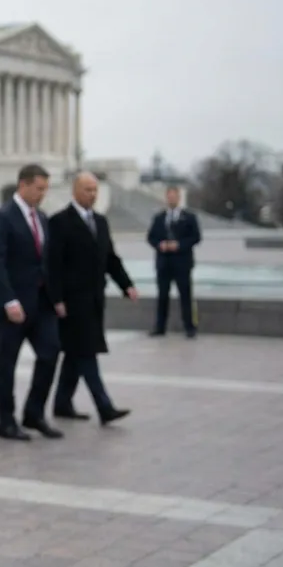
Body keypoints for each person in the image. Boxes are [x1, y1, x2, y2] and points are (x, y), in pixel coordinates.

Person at [48, 172, 136, 425]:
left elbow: (110, 258)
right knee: (86, 353)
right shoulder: (60, 222)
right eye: (87, 189)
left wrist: (126, 285)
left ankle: (62, 404)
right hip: (72, 301)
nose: (92, 194)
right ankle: (104, 407)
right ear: (75, 191)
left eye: (95, 190)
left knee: (76, 354)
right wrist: (57, 299)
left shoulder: (100, 221)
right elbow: (53, 265)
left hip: (94, 299)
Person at [0, 164, 62, 442]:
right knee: (7, 363)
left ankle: (34, 413)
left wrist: (57, 299)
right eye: (39, 188)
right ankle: (6, 421)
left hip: (41, 302)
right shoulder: (3, 218)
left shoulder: (41, 217)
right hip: (13, 305)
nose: (43, 194)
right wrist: (8, 299)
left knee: (50, 353)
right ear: (24, 185)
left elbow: (47, 262)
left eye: (45, 189)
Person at [146, 185, 201, 338]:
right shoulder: (159, 218)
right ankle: (160, 327)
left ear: (178, 198)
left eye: (174, 196)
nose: (171, 199)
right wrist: (160, 245)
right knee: (162, 296)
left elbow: (196, 237)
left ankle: (189, 327)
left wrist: (179, 245)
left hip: (182, 263)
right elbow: (150, 237)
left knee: (185, 295)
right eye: (168, 196)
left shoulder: (189, 217)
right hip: (163, 263)